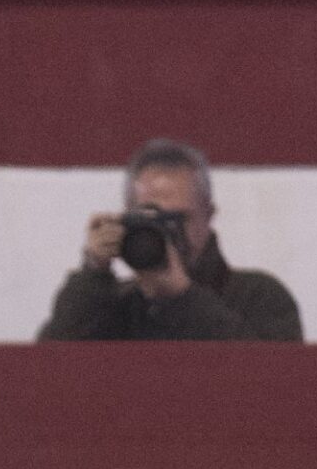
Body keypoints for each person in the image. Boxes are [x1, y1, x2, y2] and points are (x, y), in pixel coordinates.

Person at [38, 138, 302, 342]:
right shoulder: (112, 304)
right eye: (151, 218)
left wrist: (181, 295)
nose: (166, 233)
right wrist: (93, 272)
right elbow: (49, 370)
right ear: (128, 217)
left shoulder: (259, 296)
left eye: (178, 219)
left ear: (208, 216)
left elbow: (271, 380)